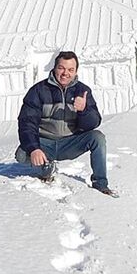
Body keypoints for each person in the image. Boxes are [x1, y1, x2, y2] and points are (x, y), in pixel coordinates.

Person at [16, 51, 117, 197]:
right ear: (54, 68)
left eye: (70, 70)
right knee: (22, 154)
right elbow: (27, 122)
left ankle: (100, 184)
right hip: (45, 144)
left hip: (70, 143)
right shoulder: (38, 91)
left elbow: (93, 123)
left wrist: (84, 110)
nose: (65, 73)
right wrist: (34, 148)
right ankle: (46, 167)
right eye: (61, 68)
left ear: (76, 71)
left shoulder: (83, 91)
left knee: (98, 138)